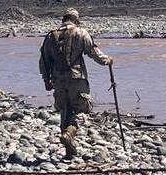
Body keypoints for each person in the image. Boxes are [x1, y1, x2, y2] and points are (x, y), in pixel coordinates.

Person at [39, 8, 113, 160]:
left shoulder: (51, 35)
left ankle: (69, 151)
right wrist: (107, 60)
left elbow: (44, 59)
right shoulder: (80, 33)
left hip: (58, 80)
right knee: (81, 111)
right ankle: (68, 135)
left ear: (63, 19)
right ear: (76, 20)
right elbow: (93, 52)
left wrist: (46, 79)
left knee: (64, 112)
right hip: (76, 78)